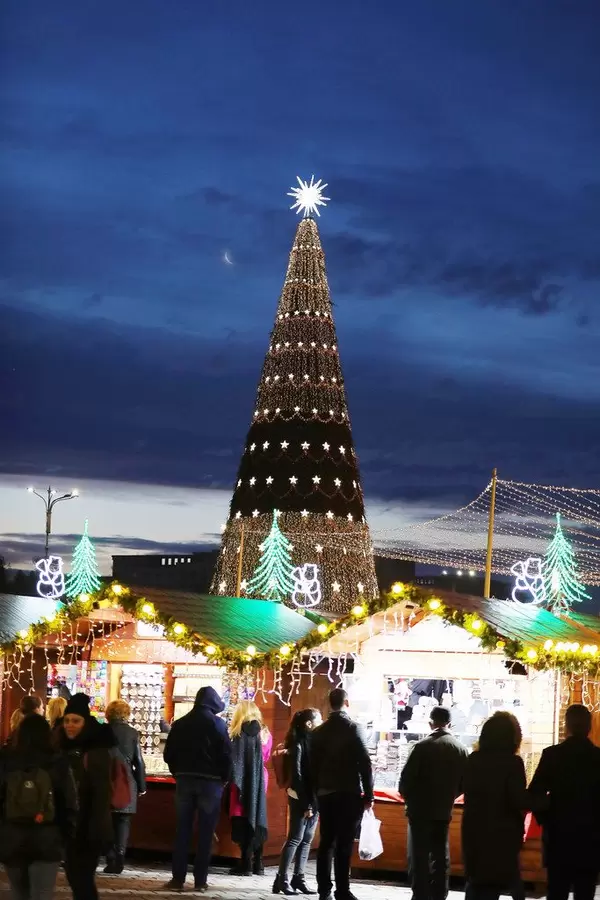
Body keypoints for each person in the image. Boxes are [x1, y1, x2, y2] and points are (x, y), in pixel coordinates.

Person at [0, 713, 78, 900]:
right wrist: (67, 836)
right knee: (42, 894)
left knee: (19, 894)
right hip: (48, 838)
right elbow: (69, 802)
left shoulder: (6, 760)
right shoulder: (57, 762)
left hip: (12, 838)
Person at [163, 687, 232, 892]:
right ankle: (200, 881)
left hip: (184, 781)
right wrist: (223, 779)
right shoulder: (218, 724)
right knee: (205, 832)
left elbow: (169, 754)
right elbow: (226, 755)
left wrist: (178, 773)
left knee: (182, 830)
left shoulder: (180, 724)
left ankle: (177, 879)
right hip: (210, 783)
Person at [529, 703, 600, 900]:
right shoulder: (597, 758)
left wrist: (546, 818)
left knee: (557, 892)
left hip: (558, 836)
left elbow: (535, 793)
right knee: (585, 892)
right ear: (589, 727)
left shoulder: (552, 755)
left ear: (566, 726)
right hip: (591, 838)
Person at [399, 705, 469, 900]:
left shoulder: (421, 747)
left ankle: (420, 894)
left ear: (431, 722)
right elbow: (465, 784)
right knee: (440, 855)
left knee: (418, 855)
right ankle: (439, 894)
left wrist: (410, 799)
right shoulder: (461, 749)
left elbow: (405, 782)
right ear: (450, 723)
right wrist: (449, 796)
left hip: (419, 811)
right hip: (443, 809)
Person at [310, 688, 374, 900]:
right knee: (344, 843)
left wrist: (314, 794)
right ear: (346, 702)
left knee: (326, 841)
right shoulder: (354, 728)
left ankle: (324, 890)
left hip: (325, 793)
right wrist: (369, 794)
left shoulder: (318, 732)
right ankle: (342, 890)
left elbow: (312, 766)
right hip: (348, 792)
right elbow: (365, 763)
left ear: (330, 704)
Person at [462, 712, 528, 900]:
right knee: (505, 881)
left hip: (475, 831)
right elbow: (518, 799)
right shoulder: (513, 763)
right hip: (503, 834)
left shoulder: (474, 759)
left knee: (477, 884)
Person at [58, 692, 115, 900]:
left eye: (75, 721)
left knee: (81, 879)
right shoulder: (64, 748)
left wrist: (96, 831)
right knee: (76, 878)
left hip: (88, 827)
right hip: (72, 824)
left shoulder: (96, 752)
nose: (70, 725)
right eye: (67, 721)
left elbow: (101, 794)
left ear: (86, 722)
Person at [274, 707, 322, 896]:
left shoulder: (313, 743)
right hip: (301, 797)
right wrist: (307, 805)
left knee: (307, 839)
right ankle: (282, 878)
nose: (321, 722)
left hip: (313, 797)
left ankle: (298, 878)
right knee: (295, 838)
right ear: (308, 724)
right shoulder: (299, 744)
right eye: (318, 719)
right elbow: (299, 776)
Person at [228, 699, 272, 877]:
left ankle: (245, 862)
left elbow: (233, 761)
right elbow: (266, 757)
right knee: (257, 812)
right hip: (260, 780)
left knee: (241, 815)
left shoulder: (238, 733)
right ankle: (258, 863)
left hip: (241, 781)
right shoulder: (265, 733)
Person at [104, 700, 146, 875]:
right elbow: (139, 762)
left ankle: (110, 857)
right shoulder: (132, 733)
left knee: (106, 822)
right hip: (127, 782)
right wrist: (142, 785)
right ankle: (120, 856)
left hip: (106, 780)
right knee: (123, 822)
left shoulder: (102, 732)